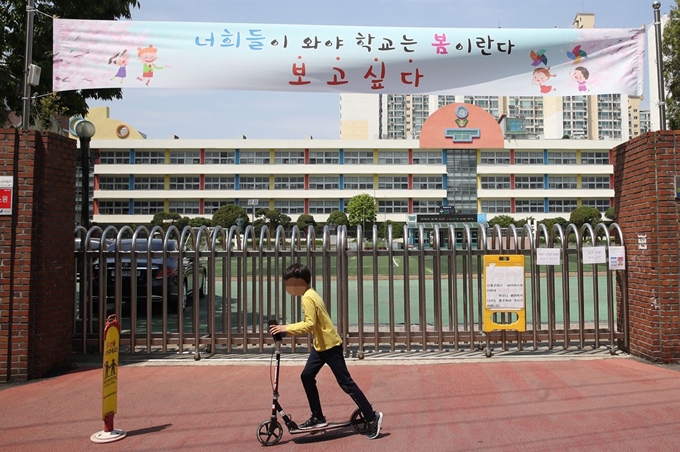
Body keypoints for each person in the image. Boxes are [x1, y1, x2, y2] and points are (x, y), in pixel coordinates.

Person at [269, 263, 383, 440]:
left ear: (299, 282)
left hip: (330, 347)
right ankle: (318, 417)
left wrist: (285, 328)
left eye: (289, 284)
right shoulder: (311, 293)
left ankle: (371, 416)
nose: (287, 288)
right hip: (321, 347)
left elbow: (310, 324)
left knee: (346, 383)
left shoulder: (307, 297)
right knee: (307, 376)